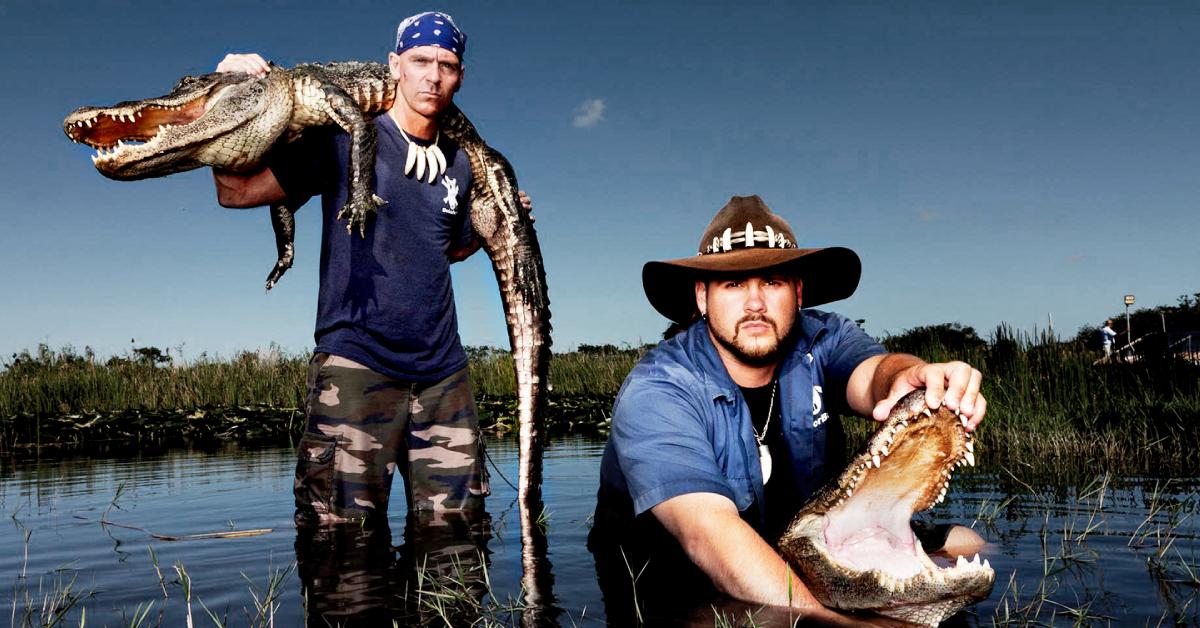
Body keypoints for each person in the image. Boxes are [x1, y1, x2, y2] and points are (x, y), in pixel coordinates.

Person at [589, 195, 987, 624]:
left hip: (791, 544)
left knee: (968, 544)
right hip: (671, 576)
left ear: (798, 293)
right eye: (734, 284)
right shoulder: (659, 388)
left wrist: (915, 376)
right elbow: (708, 537)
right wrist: (840, 626)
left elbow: (875, 375)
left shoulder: (823, 337)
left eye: (773, 281)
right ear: (702, 297)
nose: (756, 303)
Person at [213, 12, 528, 526]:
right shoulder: (341, 137)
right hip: (356, 368)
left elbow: (445, 250)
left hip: (443, 376)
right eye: (420, 61)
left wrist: (499, 224)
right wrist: (230, 88)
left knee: (460, 538)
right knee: (339, 541)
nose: (432, 76)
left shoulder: (461, 163)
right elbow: (236, 192)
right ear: (394, 66)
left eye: (446, 66)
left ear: (460, 77)